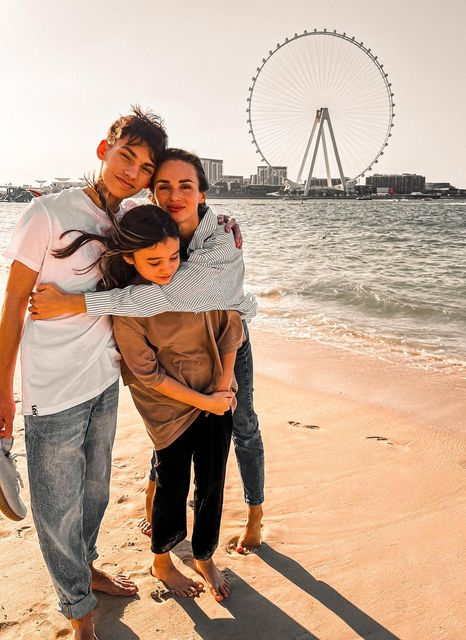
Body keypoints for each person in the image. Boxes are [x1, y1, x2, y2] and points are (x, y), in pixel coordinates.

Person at [30, 148, 265, 554]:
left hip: (226, 338)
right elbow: (108, 222)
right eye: (164, 186)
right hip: (173, 341)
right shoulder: (148, 225)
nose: (175, 195)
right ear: (152, 193)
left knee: (242, 425)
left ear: (203, 193)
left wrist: (75, 303)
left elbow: (163, 296)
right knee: (170, 426)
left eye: (186, 186)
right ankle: (156, 501)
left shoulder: (222, 240)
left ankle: (255, 513)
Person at [0, 107, 168, 640]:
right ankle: (78, 611)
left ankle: (88, 568)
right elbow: (13, 305)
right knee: (56, 509)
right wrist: (2, 389)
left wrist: (224, 229)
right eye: (126, 156)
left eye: (145, 167)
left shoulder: (129, 222)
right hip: (52, 392)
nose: (132, 172)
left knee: (95, 493)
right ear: (104, 150)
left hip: (103, 380)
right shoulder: (48, 213)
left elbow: (166, 265)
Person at [64, 203, 243, 601]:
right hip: (169, 412)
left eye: (174, 257)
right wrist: (204, 401)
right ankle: (161, 560)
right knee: (171, 485)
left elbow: (231, 324)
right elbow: (149, 375)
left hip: (217, 395)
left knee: (212, 482)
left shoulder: (197, 282)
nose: (167, 268)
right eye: (154, 261)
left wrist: (222, 387)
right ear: (130, 258)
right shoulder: (128, 307)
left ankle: (204, 556)